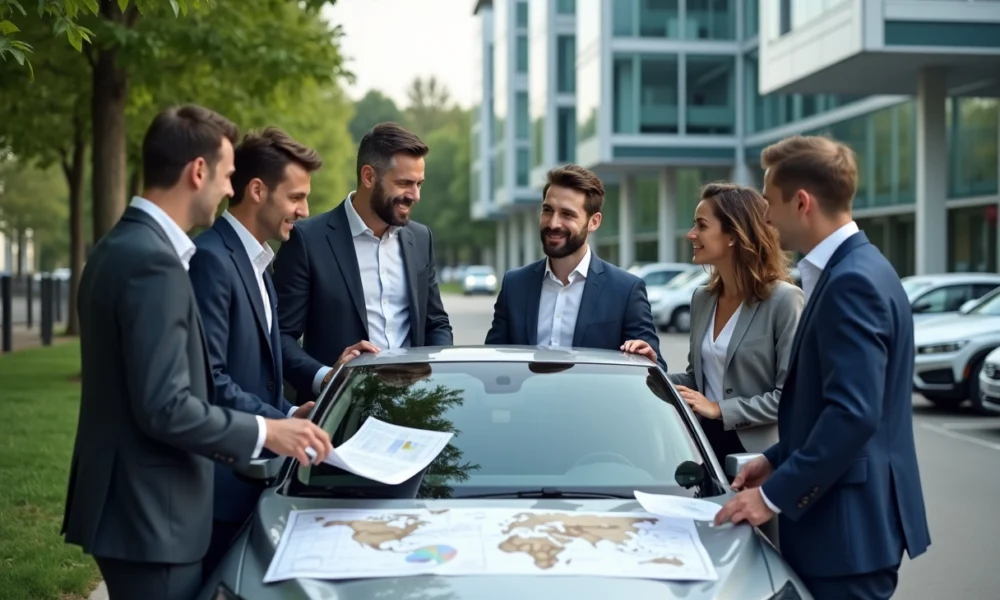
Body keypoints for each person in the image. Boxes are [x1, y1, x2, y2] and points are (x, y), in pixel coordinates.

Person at [61, 105, 333, 600]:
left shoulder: (121, 246)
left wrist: (285, 415)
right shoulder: (154, 262)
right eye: (228, 175)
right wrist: (270, 430)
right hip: (153, 513)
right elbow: (167, 405)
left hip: (136, 509)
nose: (230, 189)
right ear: (198, 171)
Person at [714, 135, 931, 599]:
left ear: (802, 202)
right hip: (845, 530)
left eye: (770, 202)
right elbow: (830, 407)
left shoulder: (852, 282)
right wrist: (773, 460)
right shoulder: (861, 268)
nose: (765, 217)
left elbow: (853, 415)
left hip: (845, 535)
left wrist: (771, 496)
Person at [187, 127, 326, 578]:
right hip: (216, 491)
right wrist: (278, 425)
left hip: (252, 483)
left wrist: (291, 410)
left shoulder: (261, 265)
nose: (304, 211)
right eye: (296, 197)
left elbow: (257, 373)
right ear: (258, 190)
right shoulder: (210, 260)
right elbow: (209, 378)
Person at [272, 122, 453, 402]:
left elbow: (436, 323)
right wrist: (326, 378)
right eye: (404, 183)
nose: (415, 195)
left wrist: (437, 372)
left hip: (413, 407)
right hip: (339, 411)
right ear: (368, 176)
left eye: (419, 184)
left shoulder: (420, 238)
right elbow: (280, 335)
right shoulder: (307, 240)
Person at [667, 182, 805, 467]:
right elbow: (700, 379)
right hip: (704, 447)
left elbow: (791, 397)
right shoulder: (702, 298)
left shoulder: (784, 300)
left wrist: (720, 409)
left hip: (761, 458)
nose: (691, 234)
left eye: (702, 225)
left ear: (733, 234)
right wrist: (648, 370)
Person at [484, 164, 665, 370]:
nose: (553, 223)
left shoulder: (626, 290)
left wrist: (648, 360)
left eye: (567, 214)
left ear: (593, 222)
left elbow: (654, 367)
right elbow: (492, 361)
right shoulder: (514, 285)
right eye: (547, 210)